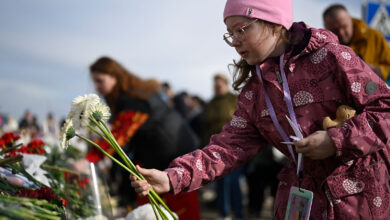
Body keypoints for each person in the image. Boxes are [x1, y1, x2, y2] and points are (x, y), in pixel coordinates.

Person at [131, 0, 390, 219]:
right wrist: (173, 178)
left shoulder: (332, 57)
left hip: (361, 200)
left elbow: (385, 109)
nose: (233, 41)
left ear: (274, 23)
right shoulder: (254, 92)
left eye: (240, 30)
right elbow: (227, 148)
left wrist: (336, 140)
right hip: (303, 202)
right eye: (229, 33)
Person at [79, 57, 200, 219]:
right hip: (162, 153)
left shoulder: (132, 98)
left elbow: (119, 135)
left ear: (115, 76)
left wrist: (89, 158)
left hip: (173, 155)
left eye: (100, 81)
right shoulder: (133, 93)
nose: (97, 87)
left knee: (179, 206)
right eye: (95, 81)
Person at [201, 73, 243, 220]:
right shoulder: (210, 103)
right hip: (214, 149)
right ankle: (223, 214)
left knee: (233, 183)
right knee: (221, 183)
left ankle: (238, 214)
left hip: (234, 148)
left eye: (219, 84)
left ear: (225, 83)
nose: (217, 87)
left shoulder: (234, 99)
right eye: (215, 85)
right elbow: (205, 127)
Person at [323, 4, 390, 81]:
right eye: (335, 30)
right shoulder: (324, 48)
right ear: (326, 28)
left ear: (351, 20)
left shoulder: (374, 37)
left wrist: (373, 70)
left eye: (344, 26)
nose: (341, 33)